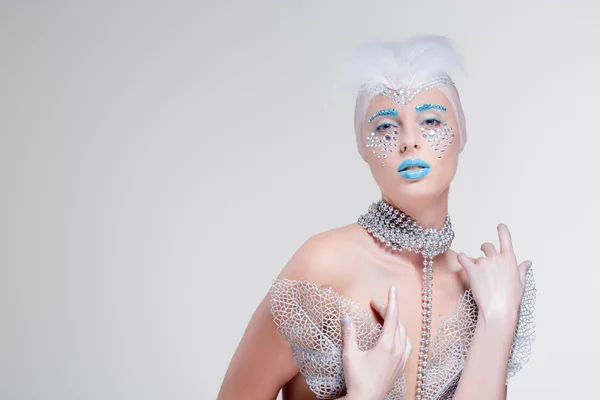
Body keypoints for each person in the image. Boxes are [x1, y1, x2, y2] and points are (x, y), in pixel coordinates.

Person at [217, 35, 536, 400]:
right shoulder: (325, 265)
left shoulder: (480, 290)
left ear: (462, 134)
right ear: (362, 148)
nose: (409, 141)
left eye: (431, 121)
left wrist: (497, 321)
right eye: (385, 126)